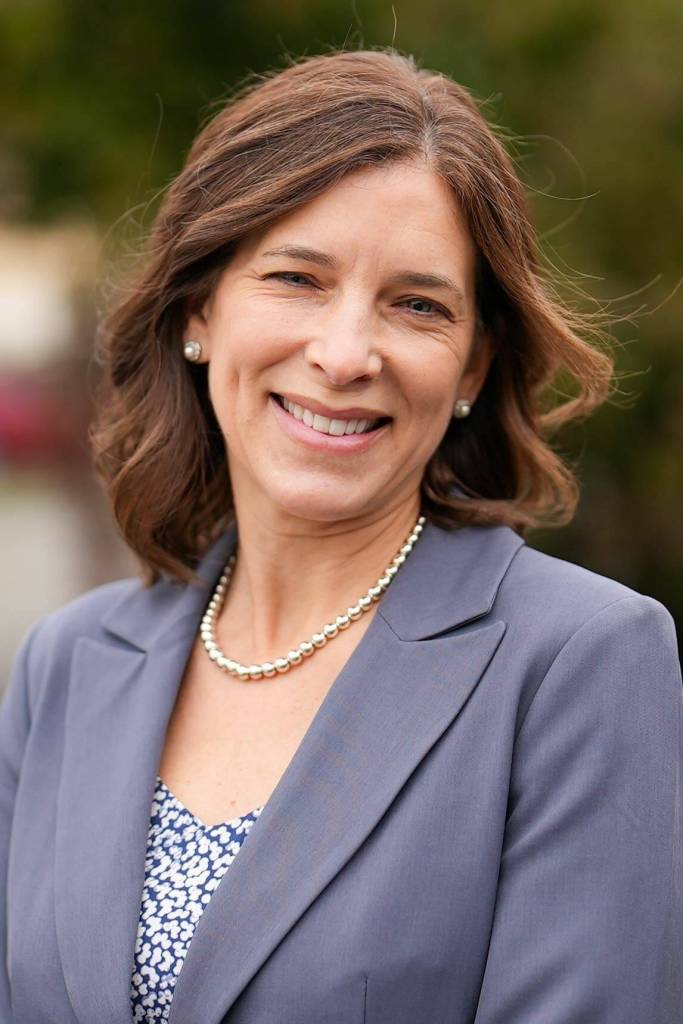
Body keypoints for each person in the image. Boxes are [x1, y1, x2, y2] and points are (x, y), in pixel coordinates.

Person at [1, 47, 680, 1024]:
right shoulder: (65, 667)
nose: (345, 353)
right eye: (297, 278)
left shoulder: (577, 664)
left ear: (471, 367)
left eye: (416, 305)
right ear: (200, 309)